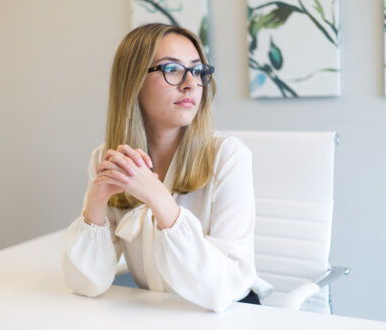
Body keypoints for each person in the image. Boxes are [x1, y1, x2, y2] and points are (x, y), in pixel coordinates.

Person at [62, 23, 272, 312]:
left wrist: (159, 200)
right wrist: (96, 204)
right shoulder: (107, 158)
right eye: (172, 69)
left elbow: (223, 287)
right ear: (133, 82)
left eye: (198, 71)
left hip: (230, 312)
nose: (190, 83)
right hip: (161, 314)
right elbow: (87, 284)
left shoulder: (228, 156)